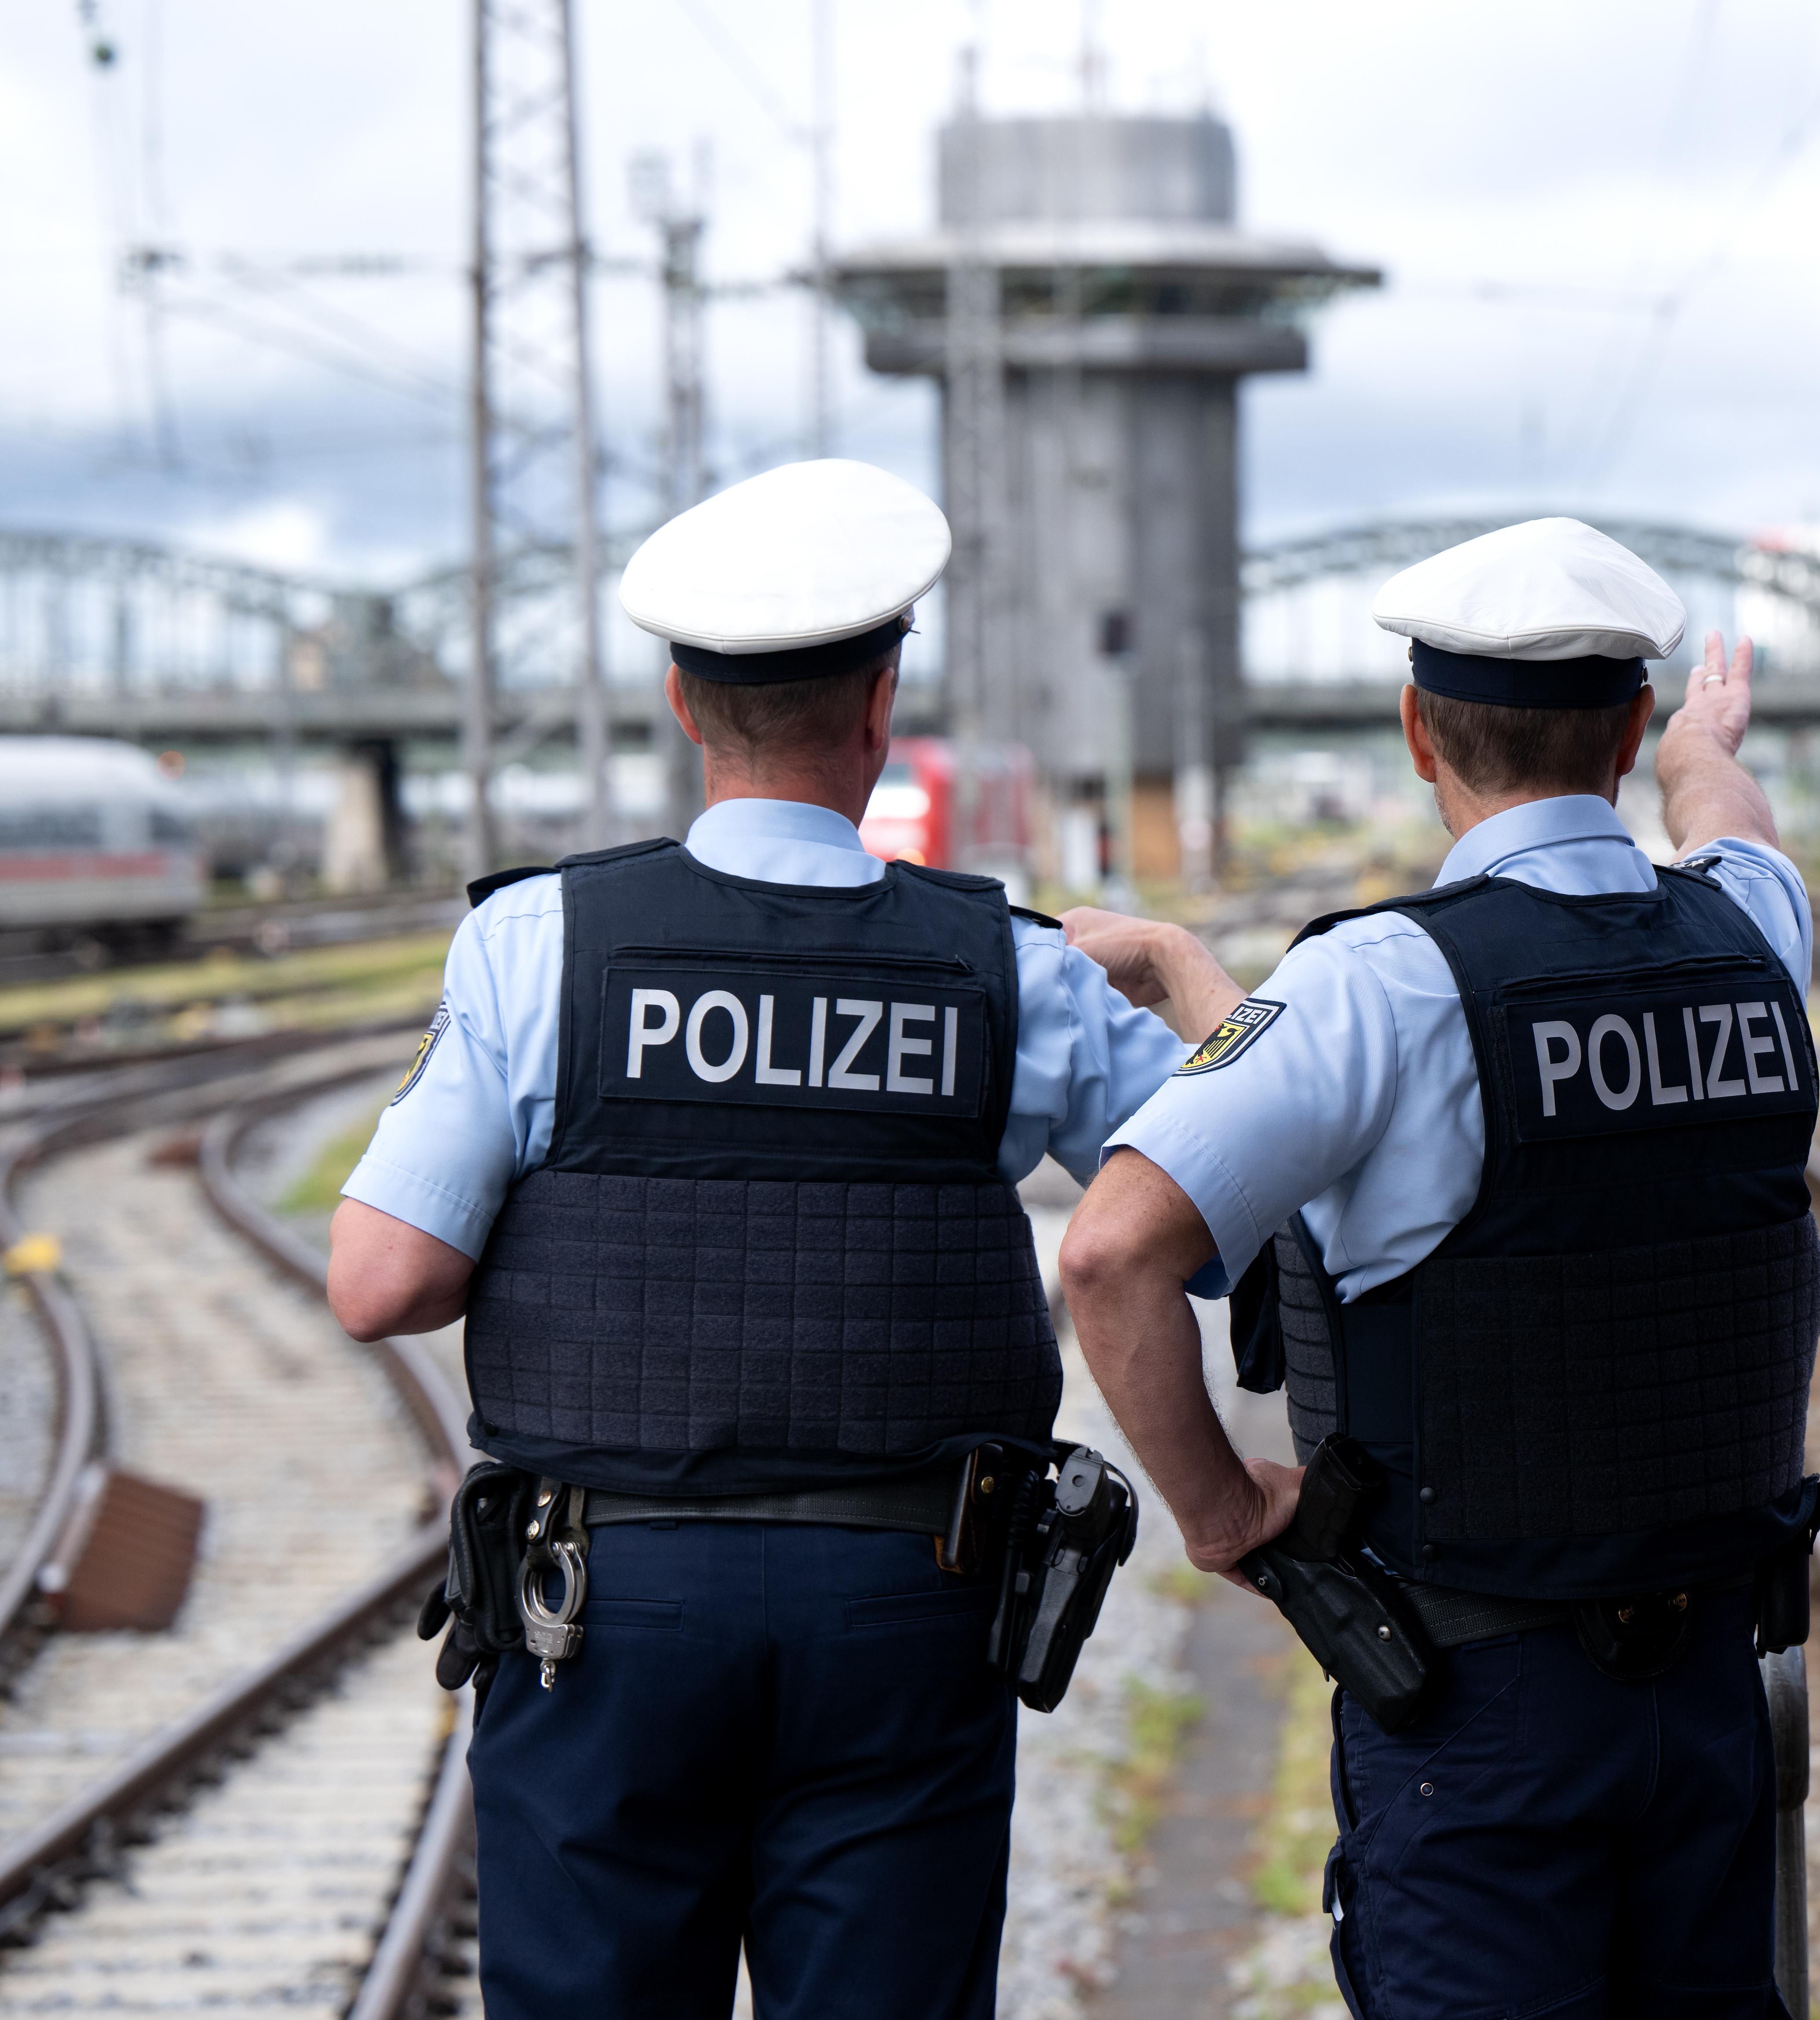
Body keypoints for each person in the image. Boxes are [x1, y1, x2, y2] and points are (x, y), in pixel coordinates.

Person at [323, 457, 1238, 2020]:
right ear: (882, 707)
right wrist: (1192, 978)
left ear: (685, 704)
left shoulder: (543, 941)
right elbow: (1240, 1210)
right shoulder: (1011, 969)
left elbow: (380, 1280)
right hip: (910, 1600)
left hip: (604, 1611)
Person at [1058, 517, 1820, 2019]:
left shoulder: (1378, 981)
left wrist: (1221, 1515)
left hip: (1482, 1713)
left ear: (1419, 732)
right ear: (1622, 731)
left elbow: (1108, 1254)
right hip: (1705, 1692)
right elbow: (1732, 821)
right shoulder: (1750, 934)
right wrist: (1702, 750)